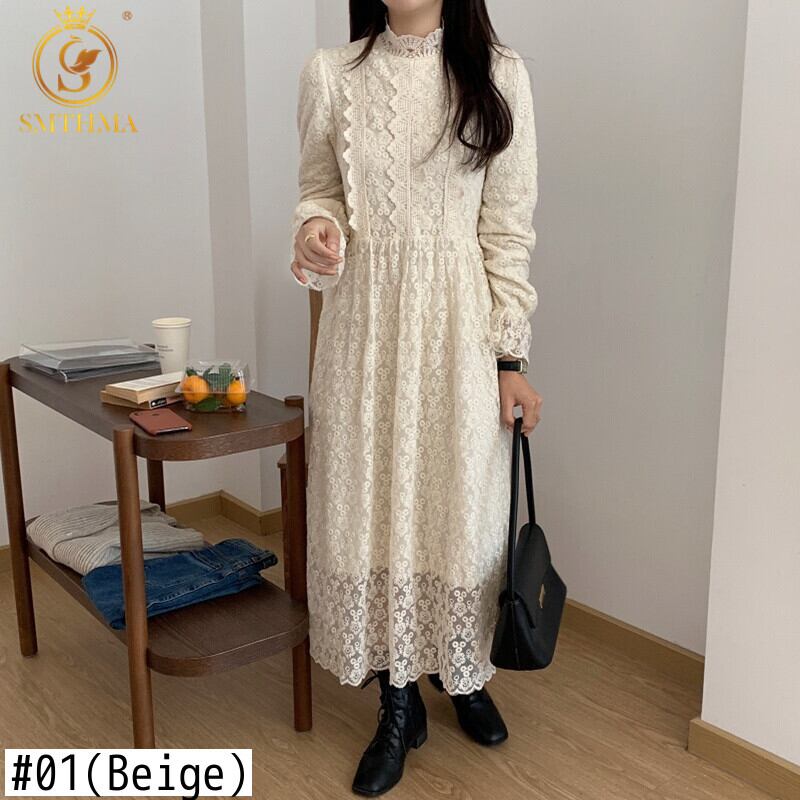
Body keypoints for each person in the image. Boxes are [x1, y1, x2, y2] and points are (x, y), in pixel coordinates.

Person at [289, 0, 542, 794]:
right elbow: (317, 191)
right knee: (372, 504)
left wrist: (510, 358)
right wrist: (316, 230)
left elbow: (507, 229)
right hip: (362, 333)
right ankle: (397, 700)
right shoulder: (332, 73)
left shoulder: (500, 76)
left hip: (458, 334)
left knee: (456, 510)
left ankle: (461, 670)